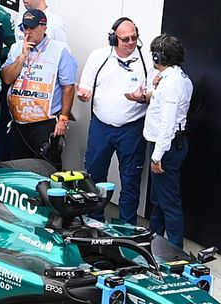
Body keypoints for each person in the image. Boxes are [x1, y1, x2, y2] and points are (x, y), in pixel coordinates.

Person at [77, 17, 151, 225]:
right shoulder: (99, 57)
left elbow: (154, 93)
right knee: (94, 176)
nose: (130, 42)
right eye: (125, 39)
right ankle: (95, 221)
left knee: (130, 182)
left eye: (134, 38)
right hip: (101, 127)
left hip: (132, 129)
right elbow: (86, 87)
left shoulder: (146, 61)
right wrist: (83, 95)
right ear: (113, 39)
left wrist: (143, 98)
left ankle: (127, 227)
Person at [0, 8, 75, 167]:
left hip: (45, 123)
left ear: (44, 28)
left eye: (32, 28)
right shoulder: (16, 48)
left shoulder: (60, 50)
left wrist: (63, 119)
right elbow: (7, 78)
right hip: (19, 123)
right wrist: (22, 56)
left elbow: (68, 87)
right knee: (19, 169)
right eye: (25, 27)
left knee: (46, 169)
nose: (28, 32)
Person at [143, 33, 192, 249]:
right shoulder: (175, 79)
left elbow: (167, 123)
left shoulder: (171, 84)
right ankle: (153, 242)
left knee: (169, 203)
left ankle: (174, 253)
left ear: (158, 56)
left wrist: (157, 156)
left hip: (166, 148)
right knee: (159, 200)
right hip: (168, 146)